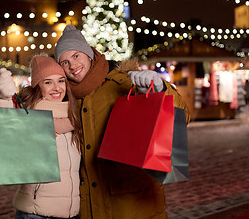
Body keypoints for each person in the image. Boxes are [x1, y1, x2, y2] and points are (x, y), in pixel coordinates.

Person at [53, 25, 190, 219]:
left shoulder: (124, 82)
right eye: (64, 62)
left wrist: (160, 90)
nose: (72, 65)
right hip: (90, 207)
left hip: (133, 206)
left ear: (89, 53)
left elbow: (182, 117)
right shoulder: (66, 97)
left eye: (76, 56)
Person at [0, 54, 82, 219]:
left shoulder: (74, 117)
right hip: (37, 214)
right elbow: (4, 128)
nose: (57, 88)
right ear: (37, 86)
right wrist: (2, 98)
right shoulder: (30, 116)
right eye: (48, 82)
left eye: (61, 80)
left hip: (72, 214)